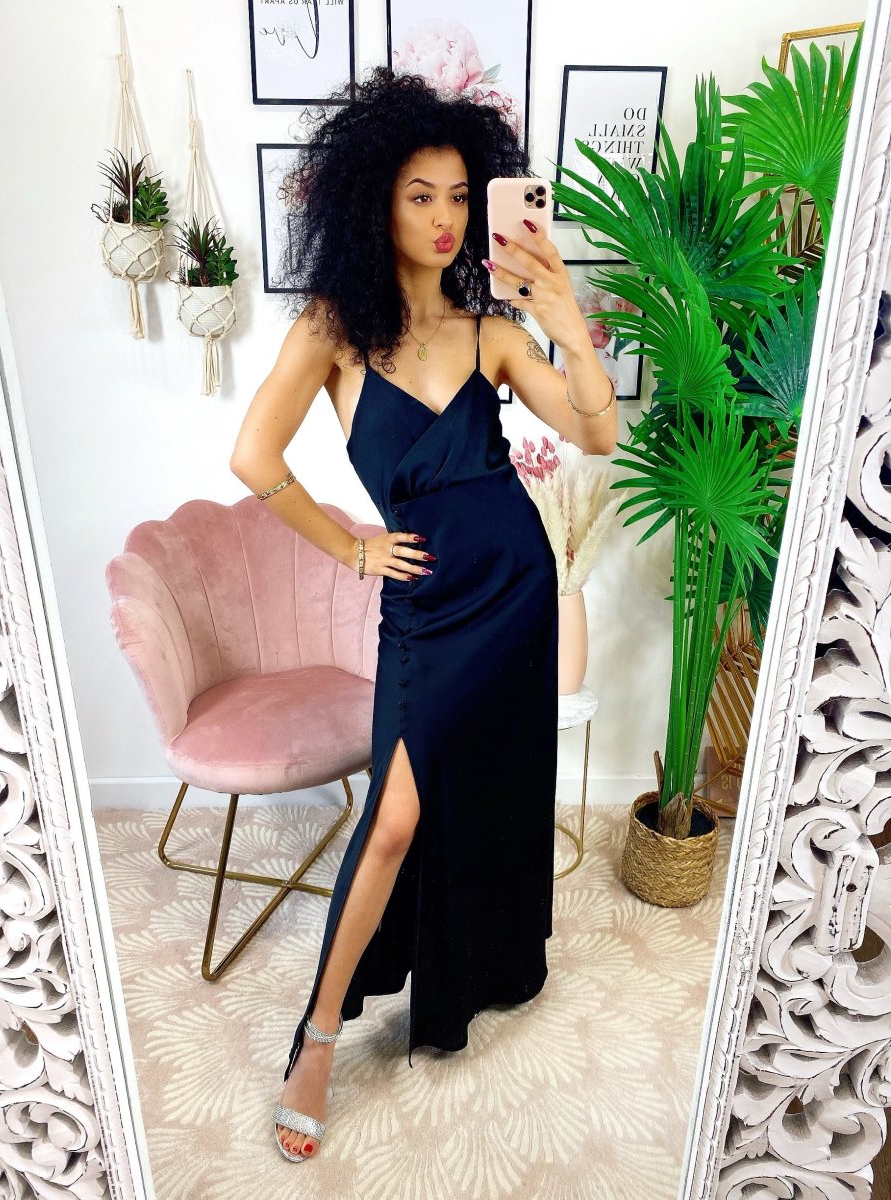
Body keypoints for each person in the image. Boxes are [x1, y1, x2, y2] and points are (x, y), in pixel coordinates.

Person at [229, 66, 617, 1164]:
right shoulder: (334, 330)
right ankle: (318, 1035)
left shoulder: (492, 332)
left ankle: (476, 973)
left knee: (489, 792)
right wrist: (352, 546)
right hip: (427, 607)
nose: (444, 219)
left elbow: (597, 436)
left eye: (458, 196)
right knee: (395, 818)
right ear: (375, 201)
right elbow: (253, 456)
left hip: (515, 596)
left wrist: (568, 325)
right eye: (419, 195)